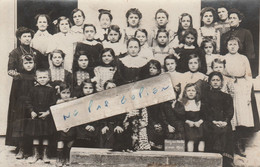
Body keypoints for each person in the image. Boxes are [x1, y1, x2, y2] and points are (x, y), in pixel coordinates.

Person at [6, 27, 46, 147]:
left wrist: (39, 78)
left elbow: (42, 69)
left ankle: (32, 145)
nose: (27, 39)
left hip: (34, 85)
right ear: (19, 38)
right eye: (24, 36)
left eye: (29, 36)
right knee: (20, 113)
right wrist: (21, 75)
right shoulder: (15, 53)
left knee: (33, 112)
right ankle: (20, 146)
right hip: (20, 86)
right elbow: (10, 70)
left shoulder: (36, 52)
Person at [223, 36, 260, 157]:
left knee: (242, 117)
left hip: (242, 88)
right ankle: (230, 145)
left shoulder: (243, 58)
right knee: (231, 116)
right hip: (229, 86)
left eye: (235, 44)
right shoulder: (223, 58)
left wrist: (248, 93)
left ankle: (240, 144)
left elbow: (248, 76)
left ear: (239, 46)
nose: (232, 47)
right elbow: (220, 74)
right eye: (230, 44)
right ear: (226, 46)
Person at [24, 69, 57, 164]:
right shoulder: (33, 89)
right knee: (36, 135)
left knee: (45, 135)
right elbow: (28, 101)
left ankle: (44, 154)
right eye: (40, 77)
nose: (42, 79)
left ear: (48, 78)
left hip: (46, 116)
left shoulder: (51, 90)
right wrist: (31, 111)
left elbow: (53, 103)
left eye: (44, 77)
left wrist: (48, 112)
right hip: (36, 116)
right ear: (36, 78)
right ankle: (36, 154)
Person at [204, 72, 234, 167]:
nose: (215, 82)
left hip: (223, 122)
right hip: (210, 122)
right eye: (213, 80)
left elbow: (230, 111)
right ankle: (213, 159)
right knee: (212, 130)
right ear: (209, 82)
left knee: (226, 130)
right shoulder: (205, 96)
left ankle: (225, 161)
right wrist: (213, 121)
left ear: (221, 82)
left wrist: (225, 121)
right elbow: (205, 111)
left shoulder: (227, 96)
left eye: (218, 80)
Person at [11, 54, 36, 159]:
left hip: (32, 104)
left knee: (32, 125)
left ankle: (31, 149)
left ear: (34, 64)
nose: (29, 65)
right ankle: (21, 148)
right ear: (22, 64)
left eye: (31, 63)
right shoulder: (18, 77)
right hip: (21, 104)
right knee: (21, 125)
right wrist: (14, 106)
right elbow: (14, 93)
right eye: (26, 63)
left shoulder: (36, 76)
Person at [98, 80, 125, 149]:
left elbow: (122, 115)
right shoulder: (101, 101)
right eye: (109, 88)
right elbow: (100, 115)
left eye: (113, 88)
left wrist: (119, 125)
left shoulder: (120, 101)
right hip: (105, 125)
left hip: (117, 125)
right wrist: (104, 125)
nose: (111, 90)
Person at [55, 83, 77, 167]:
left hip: (71, 124)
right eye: (63, 93)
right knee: (60, 140)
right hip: (61, 125)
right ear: (59, 93)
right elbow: (57, 116)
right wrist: (62, 126)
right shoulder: (58, 103)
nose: (66, 95)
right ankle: (59, 158)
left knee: (71, 140)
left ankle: (66, 156)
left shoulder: (73, 102)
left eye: (68, 93)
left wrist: (70, 125)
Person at [181, 83, 205, 152]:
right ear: (185, 93)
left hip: (199, 123)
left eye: (193, 91)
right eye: (188, 91)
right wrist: (188, 122)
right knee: (190, 139)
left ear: (196, 92)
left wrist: (199, 122)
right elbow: (181, 116)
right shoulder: (183, 103)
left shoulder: (199, 102)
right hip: (188, 124)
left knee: (202, 140)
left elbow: (204, 115)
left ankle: (201, 155)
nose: (191, 92)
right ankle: (190, 155)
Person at [74, 79, 99, 148]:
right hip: (81, 125)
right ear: (82, 89)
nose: (88, 90)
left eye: (90, 88)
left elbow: (98, 115)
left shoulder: (96, 100)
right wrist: (85, 125)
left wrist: (93, 125)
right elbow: (77, 115)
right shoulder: (78, 100)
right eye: (85, 88)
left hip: (93, 124)